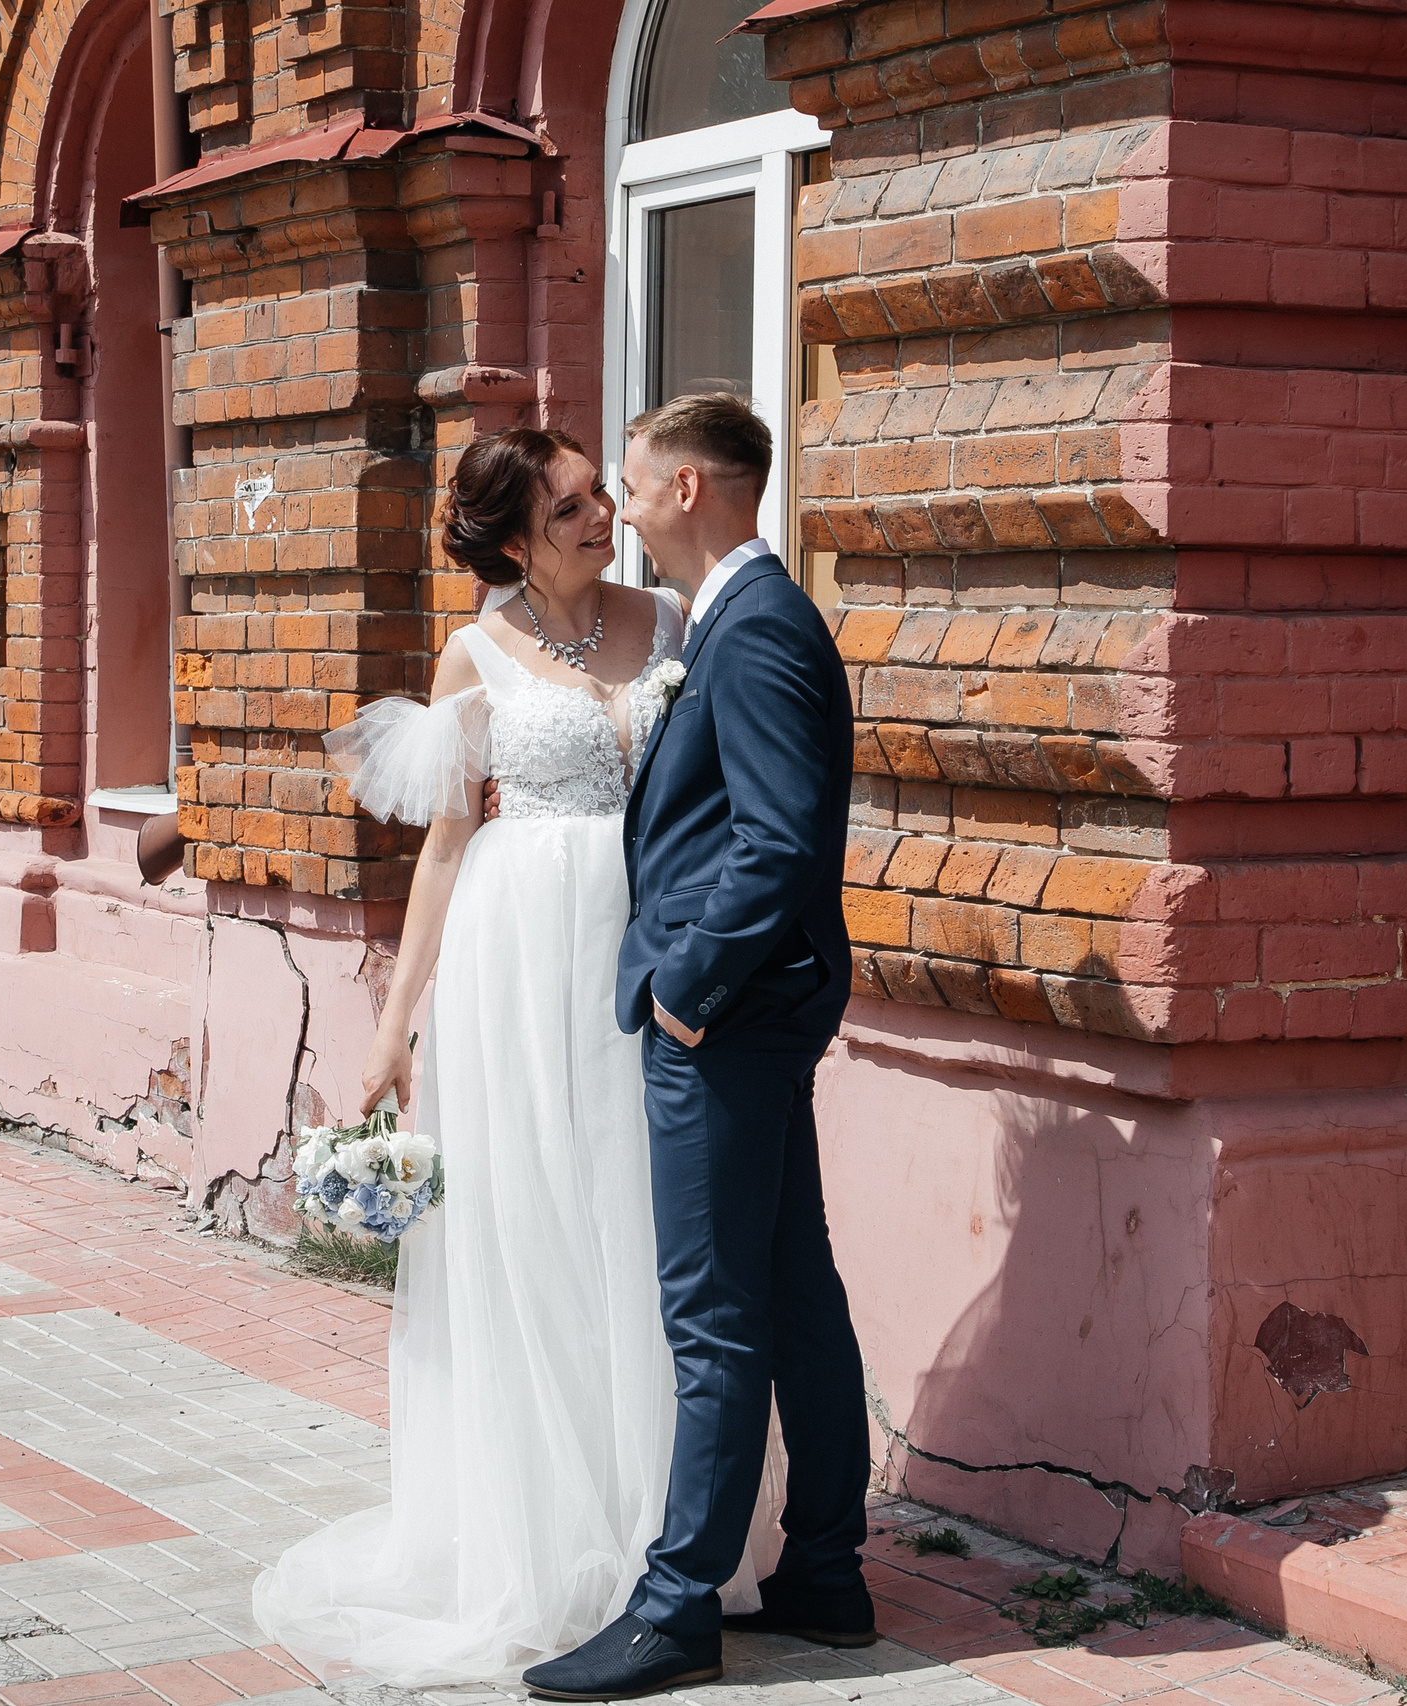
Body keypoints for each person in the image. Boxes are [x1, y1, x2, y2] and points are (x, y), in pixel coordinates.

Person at [251, 424, 785, 1689]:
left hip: (652, 948)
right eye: (566, 510)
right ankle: (545, 1549)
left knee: (647, 1228)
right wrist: (391, 1027)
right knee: (535, 1233)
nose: (599, 517)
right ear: (507, 541)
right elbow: (444, 845)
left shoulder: (669, 620)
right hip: (517, 966)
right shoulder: (472, 655)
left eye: (599, 493)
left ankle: (673, 1543)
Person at [521, 394, 873, 1700]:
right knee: (793, 1293)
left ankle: (676, 1606)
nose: (613, 508)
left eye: (627, 481)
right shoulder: (735, 618)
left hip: (727, 1020)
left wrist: (688, 989)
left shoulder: (761, 627)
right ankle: (826, 1574)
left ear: (685, 489)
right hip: (754, 1016)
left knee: (714, 1315)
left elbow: (781, 840)